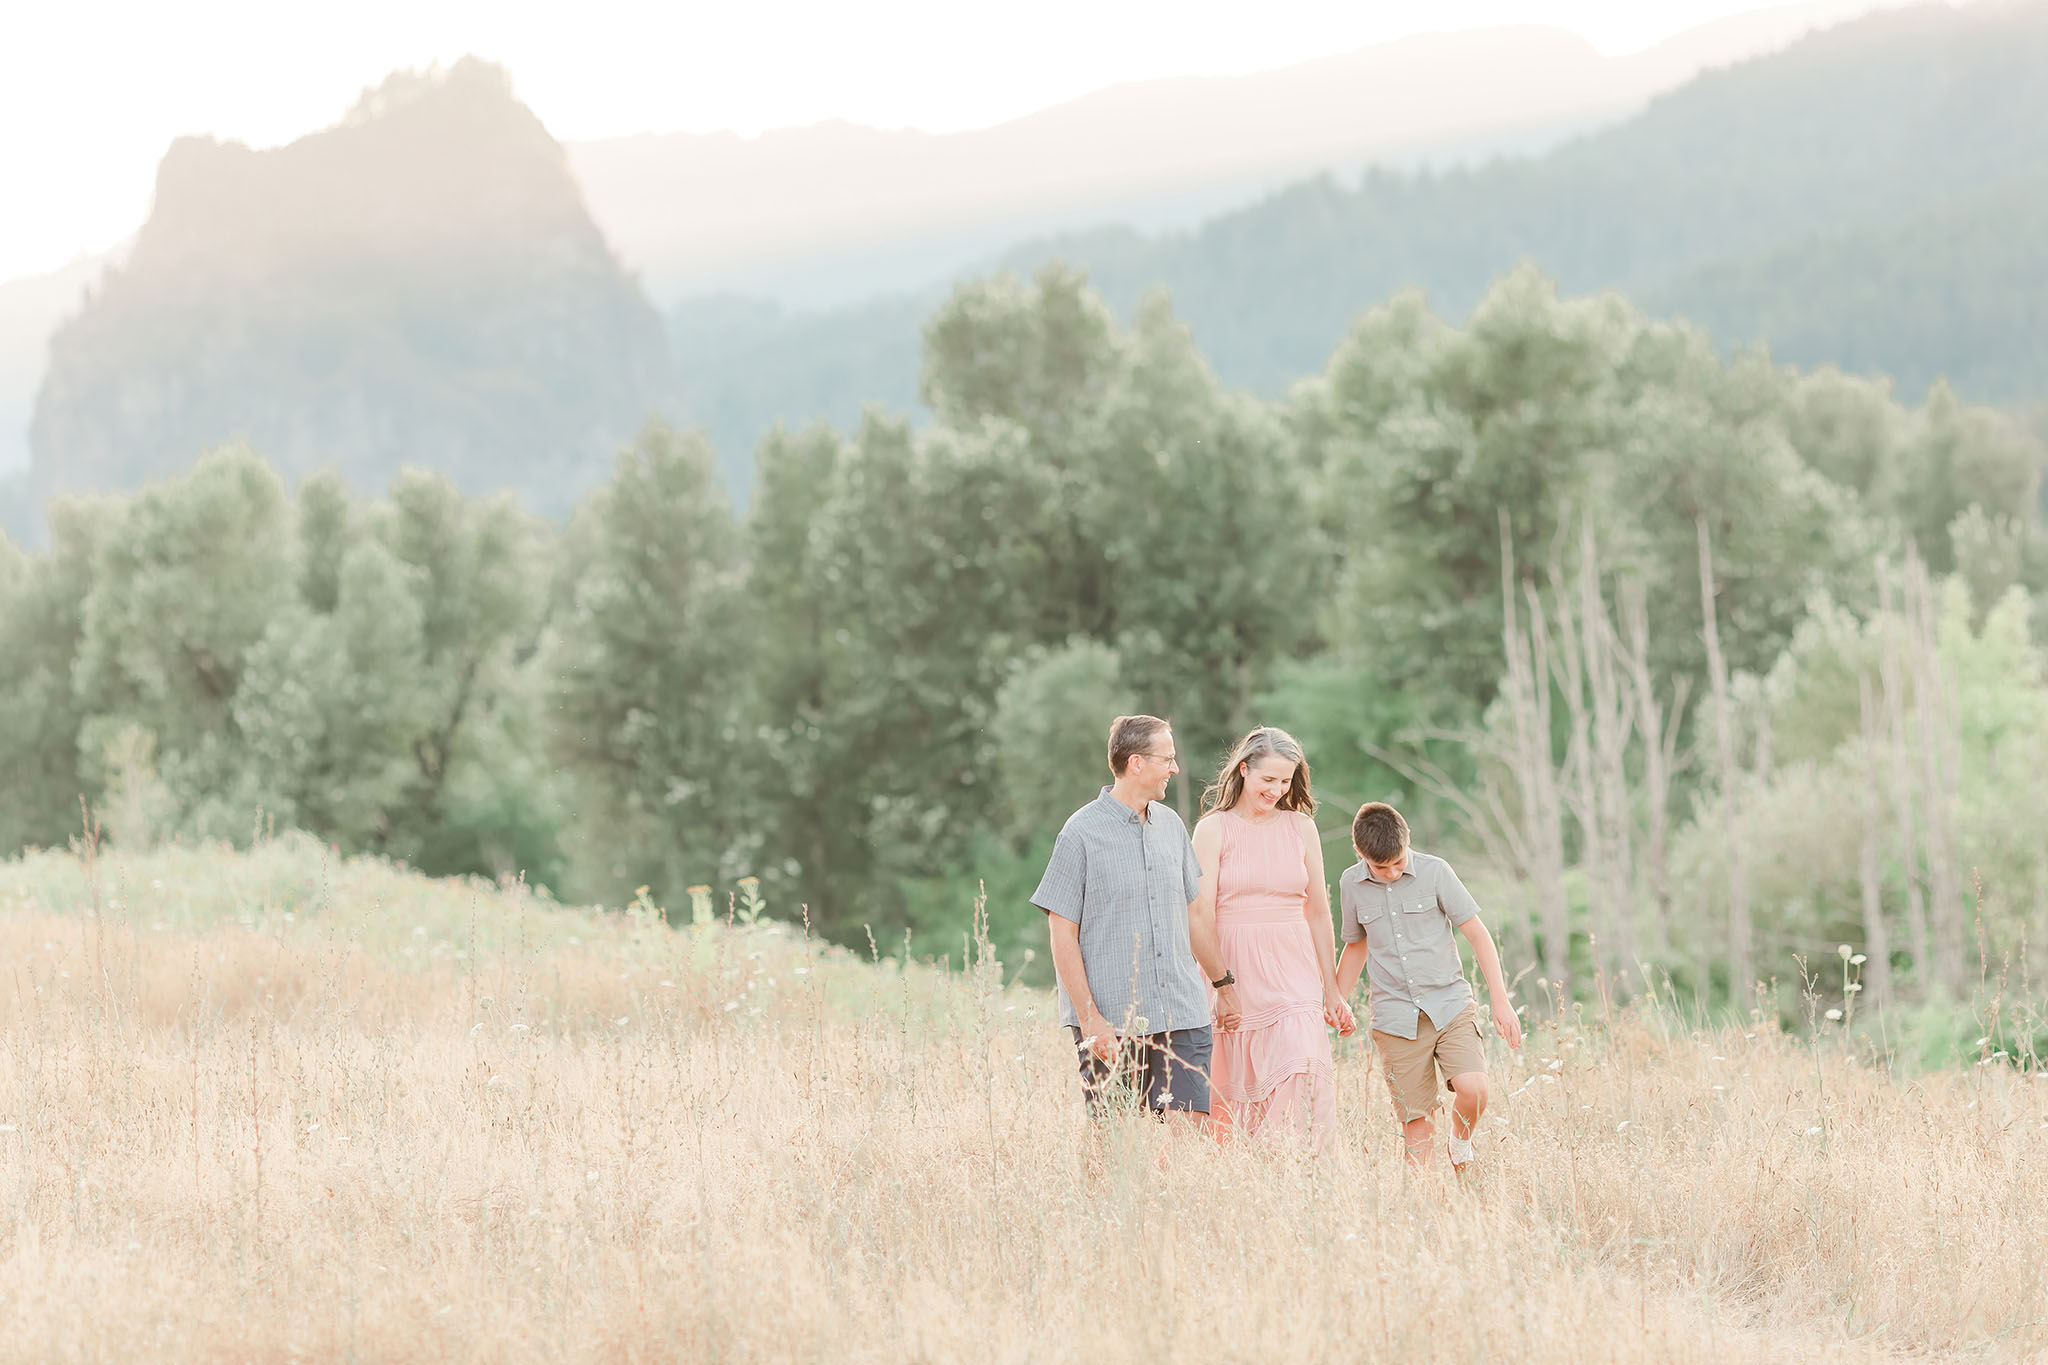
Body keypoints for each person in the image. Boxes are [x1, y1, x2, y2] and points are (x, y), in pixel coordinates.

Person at [1032, 714, 1238, 1121]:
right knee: (1113, 1138)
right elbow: (1061, 933)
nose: (1175, 769)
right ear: (1137, 763)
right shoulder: (1080, 833)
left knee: (1189, 1132)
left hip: (1181, 1010)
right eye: (1168, 759)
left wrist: (1223, 984)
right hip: (1114, 1018)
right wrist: (1091, 1017)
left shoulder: (1172, 826)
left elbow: (1195, 912)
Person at [1334, 801, 1523, 1169]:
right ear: (1359, 852)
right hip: (1394, 1020)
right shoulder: (1350, 884)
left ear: (1408, 841)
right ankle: (1427, 1214)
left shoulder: (1436, 872)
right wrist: (1337, 1000)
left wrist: (1500, 1001)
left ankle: (1460, 1143)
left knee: (1475, 1089)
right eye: (1380, 867)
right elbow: (1356, 946)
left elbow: (1477, 935)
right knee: (1418, 1130)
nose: (1390, 873)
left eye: (1398, 863)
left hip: (1449, 1005)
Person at [1192, 726, 1353, 1152]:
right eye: (1269, 780)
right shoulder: (1213, 830)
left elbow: (1318, 910)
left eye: (1286, 781)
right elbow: (1200, 914)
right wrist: (1220, 982)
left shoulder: (1301, 827)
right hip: (1233, 969)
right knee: (1237, 1088)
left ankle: (1295, 1168)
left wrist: (1333, 991)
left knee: (1304, 1065)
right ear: (1244, 770)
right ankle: (1252, 1180)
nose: (1278, 790)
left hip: (1294, 968)